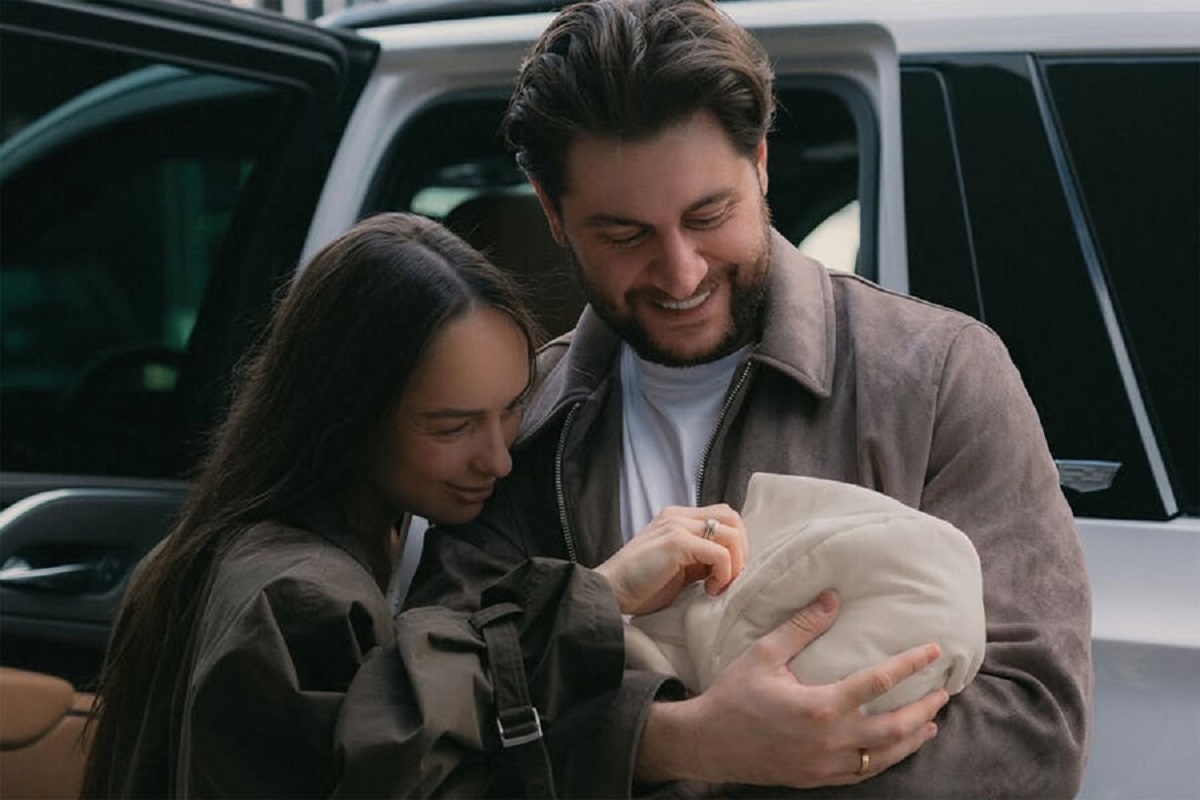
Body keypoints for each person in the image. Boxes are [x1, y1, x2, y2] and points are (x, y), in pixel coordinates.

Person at [404, 1, 1093, 796]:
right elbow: (440, 721)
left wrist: (774, 757)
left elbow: (1035, 729)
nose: (682, 272)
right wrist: (675, 744)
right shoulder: (522, 429)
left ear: (761, 163)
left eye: (709, 215)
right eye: (625, 236)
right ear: (553, 213)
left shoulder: (937, 375)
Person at [79, 212, 752, 798]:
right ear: (348, 416)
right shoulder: (295, 601)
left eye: (513, 407)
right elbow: (400, 770)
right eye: (451, 428)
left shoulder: (308, 541)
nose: (498, 458)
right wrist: (597, 601)